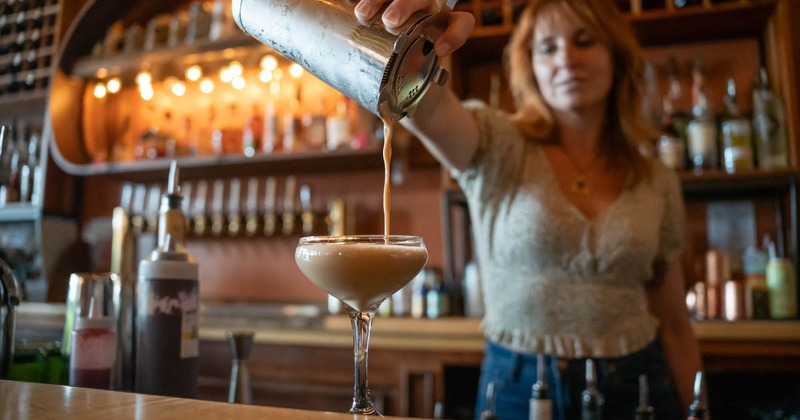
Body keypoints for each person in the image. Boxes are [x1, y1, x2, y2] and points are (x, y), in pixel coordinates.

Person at [355, 0, 702, 418]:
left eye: (584, 41)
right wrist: (418, 34)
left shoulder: (655, 178)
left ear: (617, 55)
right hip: (519, 386)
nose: (566, 59)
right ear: (530, 65)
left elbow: (677, 324)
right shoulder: (499, 143)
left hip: (637, 385)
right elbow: (424, 106)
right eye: (547, 48)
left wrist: (698, 410)